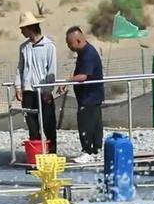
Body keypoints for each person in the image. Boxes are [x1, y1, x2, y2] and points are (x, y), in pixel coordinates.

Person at [15, 11, 57, 153]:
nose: (21, 31)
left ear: (30, 28)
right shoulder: (24, 47)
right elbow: (20, 68)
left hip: (42, 91)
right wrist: (18, 86)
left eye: (23, 28)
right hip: (28, 91)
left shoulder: (49, 46)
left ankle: (51, 153)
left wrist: (48, 90)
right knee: (32, 124)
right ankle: (36, 153)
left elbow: (51, 70)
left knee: (48, 123)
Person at [63, 26, 104, 164]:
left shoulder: (88, 54)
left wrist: (67, 81)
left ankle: (88, 151)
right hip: (88, 97)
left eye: (70, 43)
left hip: (90, 97)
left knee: (86, 124)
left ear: (78, 40)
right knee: (94, 124)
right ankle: (96, 150)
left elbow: (83, 76)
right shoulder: (83, 53)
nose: (69, 47)